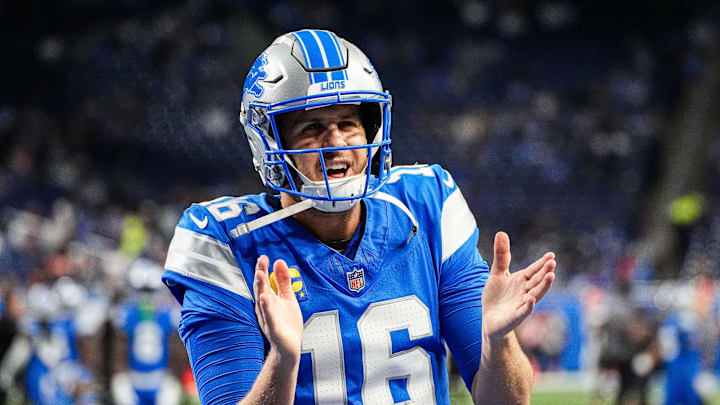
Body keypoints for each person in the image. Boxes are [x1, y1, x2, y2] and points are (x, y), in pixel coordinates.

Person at [162, 29, 556, 405]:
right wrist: (282, 361)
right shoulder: (225, 244)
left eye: (348, 124)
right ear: (270, 143)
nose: (336, 144)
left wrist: (498, 340)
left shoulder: (427, 204)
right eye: (311, 128)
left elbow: (507, 400)